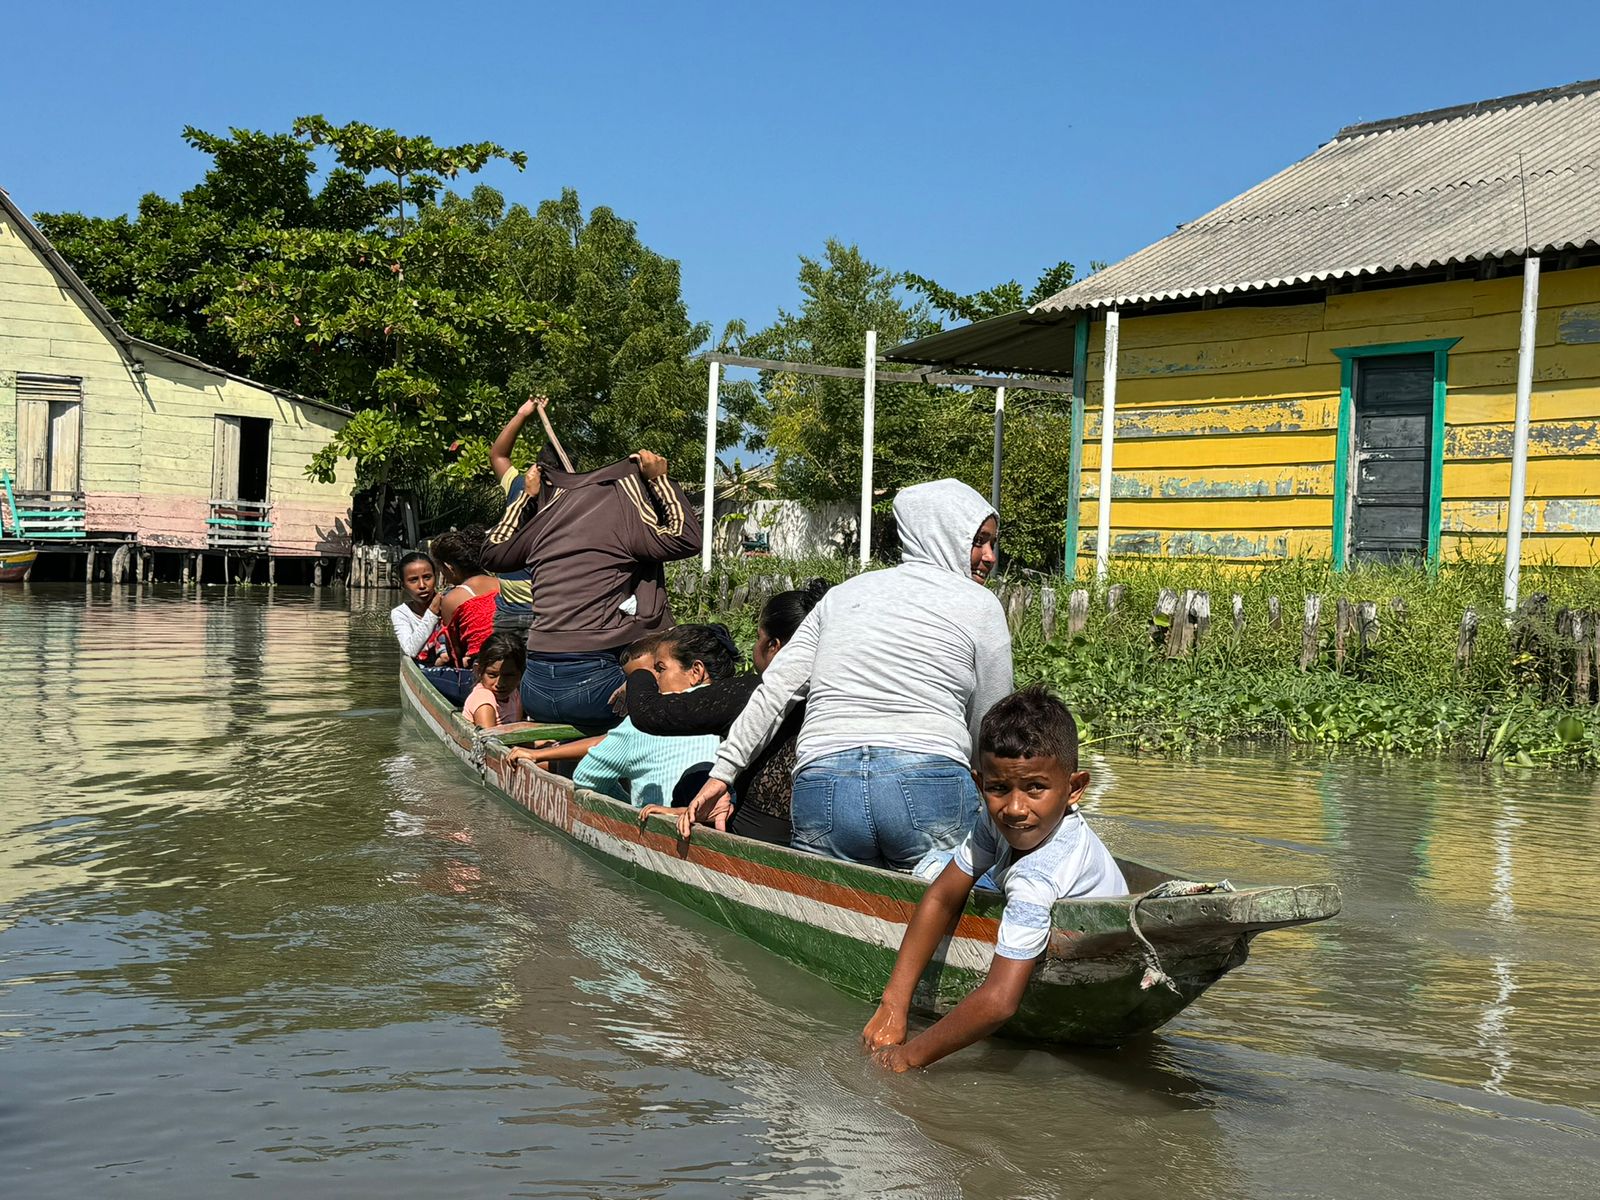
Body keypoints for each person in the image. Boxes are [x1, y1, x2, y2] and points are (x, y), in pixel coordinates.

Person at [680, 479, 1012, 870]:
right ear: (943, 534)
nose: (989, 557)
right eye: (978, 541)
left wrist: (722, 775)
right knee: (942, 898)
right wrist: (993, 789)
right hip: (928, 782)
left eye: (992, 543)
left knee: (820, 898)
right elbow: (993, 719)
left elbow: (775, 692)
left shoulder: (841, 596)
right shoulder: (980, 604)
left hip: (825, 784)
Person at [862, 685, 1128, 1072]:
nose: (1015, 809)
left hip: (1062, 919)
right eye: (999, 788)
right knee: (940, 868)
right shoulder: (993, 821)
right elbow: (941, 897)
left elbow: (1000, 1002)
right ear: (979, 784)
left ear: (1074, 789)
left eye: (1035, 788)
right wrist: (893, 1004)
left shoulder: (1037, 879)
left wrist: (908, 1056)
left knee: (930, 864)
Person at [481, 448, 700, 730]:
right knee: (680, 680)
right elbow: (686, 538)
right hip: (595, 690)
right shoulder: (621, 504)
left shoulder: (542, 518)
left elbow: (492, 552)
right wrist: (660, 480)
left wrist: (525, 497)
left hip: (535, 689)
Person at [632, 579, 831, 845]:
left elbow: (649, 713)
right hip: (825, 826)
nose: (755, 646)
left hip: (758, 831)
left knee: (697, 775)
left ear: (773, 646)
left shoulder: (753, 692)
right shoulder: (839, 692)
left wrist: (641, 673)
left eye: (758, 637)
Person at [568, 625, 734, 807]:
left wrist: (628, 806)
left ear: (696, 672)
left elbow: (585, 777)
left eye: (661, 670)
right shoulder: (743, 708)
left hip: (663, 821)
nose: (656, 679)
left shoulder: (651, 718)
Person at [486, 395, 576, 638]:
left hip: (535, 609)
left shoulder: (521, 486)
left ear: (537, 468)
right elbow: (498, 457)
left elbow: (498, 456)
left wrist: (522, 414)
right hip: (539, 609)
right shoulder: (576, 497)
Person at [420, 527, 501, 707]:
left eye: (441, 570)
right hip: (514, 668)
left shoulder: (453, 598)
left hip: (481, 674)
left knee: (421, 674)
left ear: (449, 567)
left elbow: (455, 653)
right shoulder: (502, 584)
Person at [463, 633, 527, 729]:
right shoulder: (484, 700)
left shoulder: (514, 694)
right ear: (478, 671)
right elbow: (488, 737)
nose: (500, 683)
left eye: (509, 675)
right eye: (492, 675)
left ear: (521, 673)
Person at [390, 551, 444, 663]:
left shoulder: (448, 603)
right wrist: (432, 613)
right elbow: (410, 650)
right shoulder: (401, 613)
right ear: (403, 585)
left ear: (436, 577)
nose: (422, 585)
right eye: (413, 580)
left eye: (427, 577)